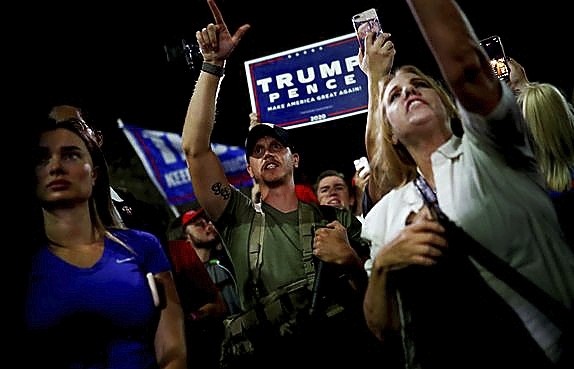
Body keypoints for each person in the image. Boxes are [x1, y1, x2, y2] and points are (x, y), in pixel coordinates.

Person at [360, 1, 574, 368]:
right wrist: (382, 266)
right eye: (394, 96)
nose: (409, 91)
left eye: (420, 85)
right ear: (391, 133)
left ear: (445, 102)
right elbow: (384, 329)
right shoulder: (384, 217)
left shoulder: (495, 152)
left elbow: (465, 68)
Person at [180, 1, 393, 368]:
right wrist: (213, 66)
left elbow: (384, 303)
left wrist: (351, 261)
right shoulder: (236, 217)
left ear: (294, 159)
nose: (268, 153)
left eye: (277, 146)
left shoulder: (337, 220)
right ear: (249, 168)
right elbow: (195, 150)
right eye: (258, 150)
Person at [26, 114, 187, 368]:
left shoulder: (143, 247)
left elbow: (173, 351)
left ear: (94, 173)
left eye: (71, 155)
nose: (55, 166)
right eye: (42, 158)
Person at [180, 207, 240, 315]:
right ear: (187, 238)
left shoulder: (227, 259)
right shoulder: (190, 276)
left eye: (207, 221)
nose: (207, 227)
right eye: (199, 225)